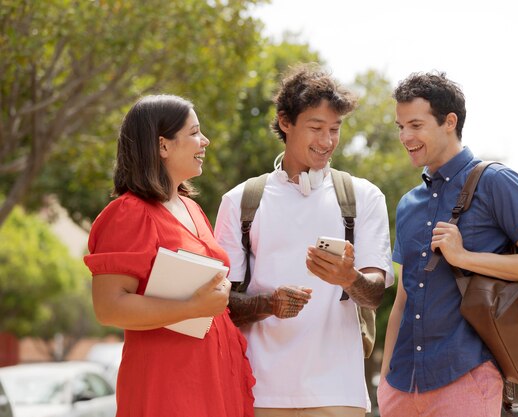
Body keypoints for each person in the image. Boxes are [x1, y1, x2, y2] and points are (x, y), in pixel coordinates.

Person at [378, 72, 518, 417]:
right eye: (400, 126)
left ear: (449, 122)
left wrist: (464, 257)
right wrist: (386, 378)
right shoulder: (408, 204)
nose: (405, 136)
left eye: (415, 125)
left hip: (466, 377)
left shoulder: (496, 181)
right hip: (402, 385)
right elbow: (404, 299)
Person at [214, 64, 394, 417]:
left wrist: (348, 278)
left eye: (335, 129)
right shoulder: (240, 201)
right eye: (316, 128)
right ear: (285, 122)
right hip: (258, 390)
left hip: (338, 392)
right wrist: (269, 303)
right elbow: (222, 303)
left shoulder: (363, 197)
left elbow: (374, 294)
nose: (327, 141)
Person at [84, 95, 255, 417]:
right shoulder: (128, 213)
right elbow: (109, 307)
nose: (205, 141)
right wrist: (193, 307)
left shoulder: (192, 208)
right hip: (169, 384)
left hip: (212, 374)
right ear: (163, 146)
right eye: (194, 133)